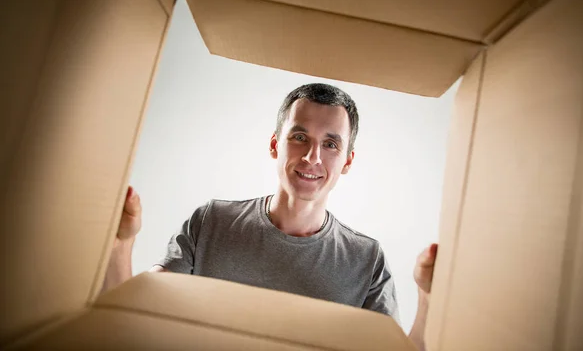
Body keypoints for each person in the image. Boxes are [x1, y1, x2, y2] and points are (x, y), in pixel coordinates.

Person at [103, 83, 438, 351]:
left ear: (347, 162)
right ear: (275, 145)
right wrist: (120, 245)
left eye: (331, 144)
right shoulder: (211, 222)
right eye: (299, 137)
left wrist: (428, 300)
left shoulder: (366, 260)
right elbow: (133, 322)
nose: (312, 157)